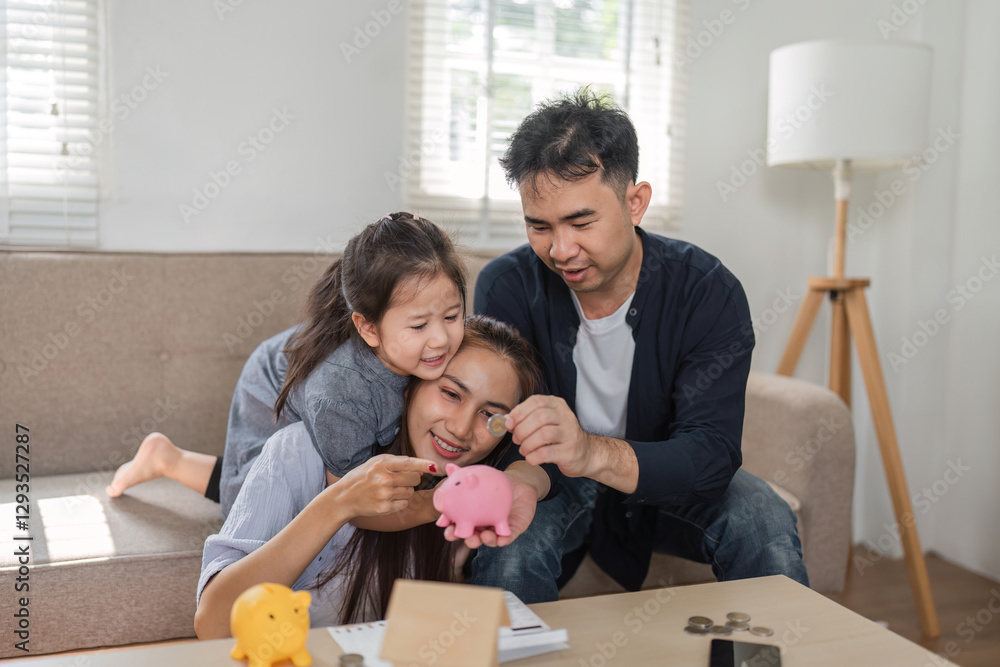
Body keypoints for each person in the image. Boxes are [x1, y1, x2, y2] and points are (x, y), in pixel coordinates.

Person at [468, 89, 808, 602]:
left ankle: (770, 646)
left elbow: (711, 455)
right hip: (550, 478)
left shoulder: (706, 291)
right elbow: (503, 428)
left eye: (581, 222)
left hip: (661, 473)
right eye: (539, 227)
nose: (560, 250)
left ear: (635, 203)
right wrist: (522, 480)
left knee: (763, 520)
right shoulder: (508, 286)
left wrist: (591, 453)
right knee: (509, 546)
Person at [194, 315, 544, 638]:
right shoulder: (300, 451)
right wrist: (338, 503)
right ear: (409, 384)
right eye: (451, 394)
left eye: (490, 416)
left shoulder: (473, 500)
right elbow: (214, 625)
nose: (461, 428)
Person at [107, 212, 468, 515]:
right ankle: (167, 460)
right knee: (263, 499)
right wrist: (434, 505)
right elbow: (348, 501)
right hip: (273, 380)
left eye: (452, 316)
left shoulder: (443, 347)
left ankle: (167, 457)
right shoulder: (340, 393)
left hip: (319, 369)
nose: (440, 338)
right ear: (369, 328)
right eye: (419, 326)